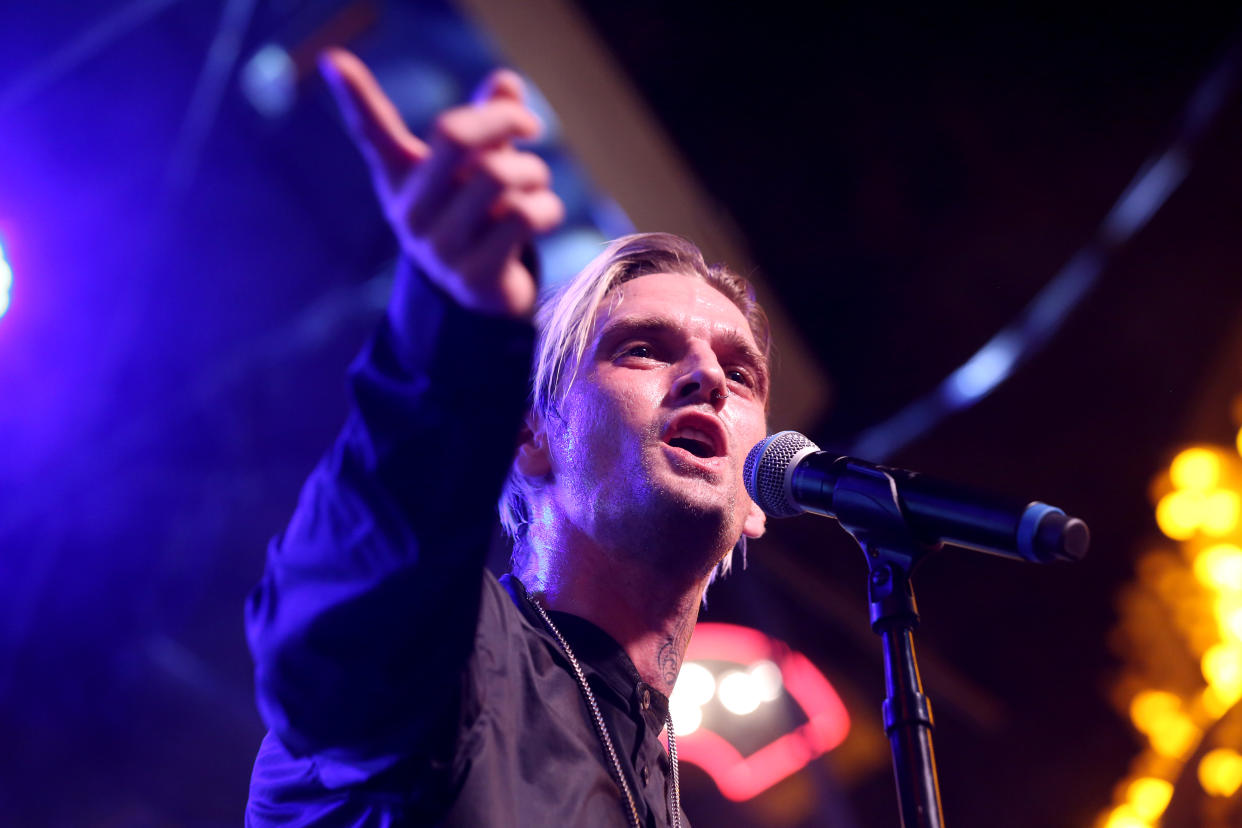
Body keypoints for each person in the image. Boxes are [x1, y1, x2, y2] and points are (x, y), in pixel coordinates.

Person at [244, 48, 773, 827]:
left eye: (742, 371)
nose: (707, 377)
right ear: (530, 437)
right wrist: (449, 325)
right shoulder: (455, 673)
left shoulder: (664, 797)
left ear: (760, 496)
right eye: (644, 348)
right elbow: (332, 645)